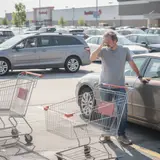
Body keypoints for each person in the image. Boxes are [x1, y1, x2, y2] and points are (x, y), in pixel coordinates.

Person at [90, 31, 150, 145]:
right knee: (106, 111)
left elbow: (132, 64)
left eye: (108, 40)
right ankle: (106, 134)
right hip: (105, 86)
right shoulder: (103, 51)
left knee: (123, 112)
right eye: (105, 40)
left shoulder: (124, 50)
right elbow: (91, 58)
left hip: (119, 87)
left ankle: (121, 135)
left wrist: (140, 76)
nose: (106, 42)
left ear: (115, 40)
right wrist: (101, 45)